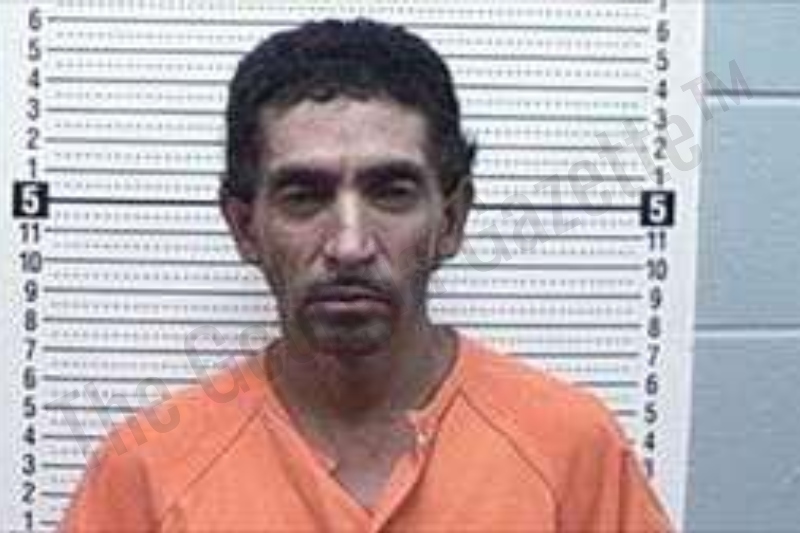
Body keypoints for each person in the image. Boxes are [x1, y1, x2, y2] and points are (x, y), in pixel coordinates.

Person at [61, 18, 673, 532]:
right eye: (304, 196)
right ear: (245, 227)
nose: (349, 246)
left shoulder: (571, 451)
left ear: (452, 219)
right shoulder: (147, 472)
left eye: (391, 192)